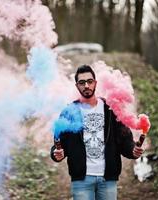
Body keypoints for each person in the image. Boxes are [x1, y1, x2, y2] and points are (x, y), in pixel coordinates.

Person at [50, 65, 144, 200]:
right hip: (81, 180)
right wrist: (56, 154)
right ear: (77, 86)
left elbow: (124, 139)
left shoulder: (110, 108)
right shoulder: (69, 112)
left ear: (95, 83)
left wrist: (132, 150)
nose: (86, 85)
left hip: (108, 179)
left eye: (89, 81)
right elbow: (59, 144)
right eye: (82, 83)